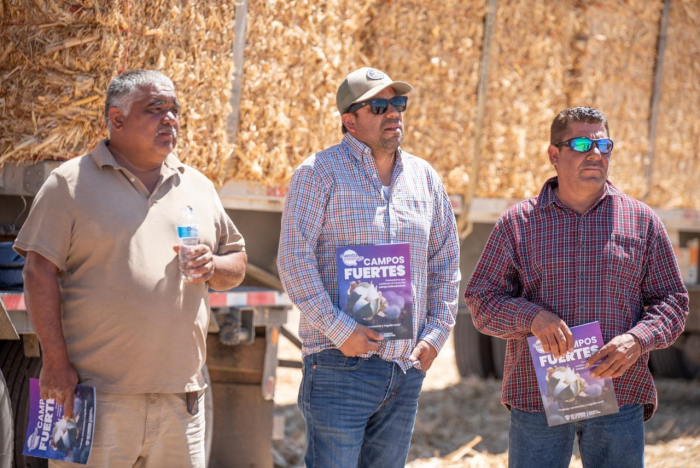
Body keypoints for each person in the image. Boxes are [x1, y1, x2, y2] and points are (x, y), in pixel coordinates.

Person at [15, 69, 247, 467]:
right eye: (156, 109)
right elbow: (37, 273)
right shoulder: (68, 184)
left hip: (182, 402)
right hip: (92, 399)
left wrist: (213, 265)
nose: (170, 119)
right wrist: (54, 362)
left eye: (175, 110)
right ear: (117, 119)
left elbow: (237, 262)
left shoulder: (198, 186)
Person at [464, 106, 688, 467]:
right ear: (554, 155)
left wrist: (637, 339)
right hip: (538, 399)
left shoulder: (642, 221)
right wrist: (532, 317)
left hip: (619, 393)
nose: (595, 153)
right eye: (582, 144)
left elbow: (672, 301)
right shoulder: (517, 223)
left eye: (604, 145)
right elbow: (481, 300)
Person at [277, 67, 460, 467]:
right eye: (379, 106)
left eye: (399, 103)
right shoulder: (318, 173)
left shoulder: (425, 178)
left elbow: (445, 261)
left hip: (404, 369)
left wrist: (435, 335)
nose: (394, 113)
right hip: (339, 366)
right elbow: (293, 260)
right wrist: (342, 331)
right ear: (350, 120)